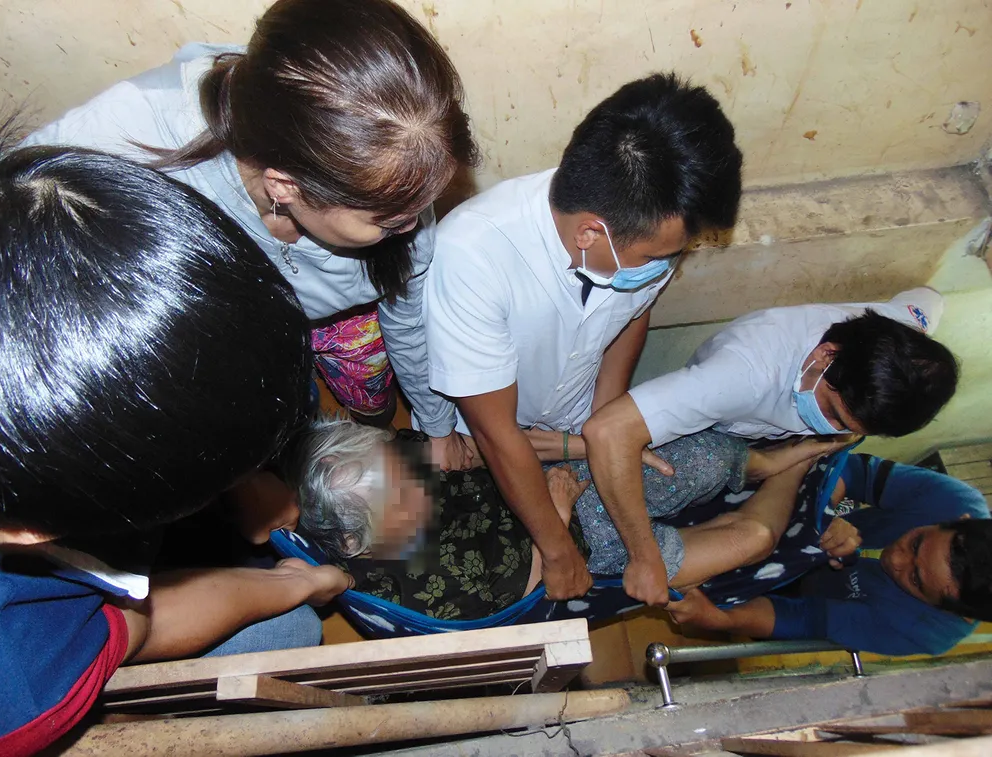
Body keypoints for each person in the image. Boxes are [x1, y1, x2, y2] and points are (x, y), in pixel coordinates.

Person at [0, 135, 353, 755]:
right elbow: (140, 624)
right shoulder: (20, 677)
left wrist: (242, 479)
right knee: (292, 629)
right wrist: (293, 586)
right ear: (32, 530)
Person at [23, 0, 480, 446]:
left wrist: (436, 424)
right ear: (284, 187)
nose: (416, 227)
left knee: (372, 402)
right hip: (224, 342)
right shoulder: (125, 141)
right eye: (391, 221)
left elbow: (407, 319)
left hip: (342, 325)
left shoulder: (392, 183)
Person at [424, 72, 744, 600]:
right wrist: (558, 551)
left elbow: (633, 314)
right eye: (655, 258)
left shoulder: (641, 230)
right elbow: (497, 435)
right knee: (490, 572)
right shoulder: (473, 256)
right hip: (489, 444)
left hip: (578, 420)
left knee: (700, 467)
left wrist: (606, 423)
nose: (663, 267)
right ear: (590, 232)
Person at [271, 415, 857, 621]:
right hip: (583, 544)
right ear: (358, 540)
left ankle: (771, 462)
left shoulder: (369, 466)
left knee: (712, 456)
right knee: (753, 539)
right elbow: (530, 594)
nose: (420, 484)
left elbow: (475, 448)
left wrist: (583, 449)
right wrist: (557, 511)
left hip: (547, 478)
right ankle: (799, 470)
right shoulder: (417, 590)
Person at [582, 289, 959, 606]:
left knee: (755, 534)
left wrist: (801, 453)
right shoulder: (741, 376)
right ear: (826, 355)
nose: (832, 430)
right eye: (833, 413)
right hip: (721, 424)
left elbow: (930, 298)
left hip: (737, 453)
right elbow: (607, 431)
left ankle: (787, 460)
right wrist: (643, 553)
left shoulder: (903, 342)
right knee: (721, 487)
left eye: (850, 429)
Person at [667, 454, 992, 657]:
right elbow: (855, 471)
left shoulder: (927, 632)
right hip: (796, 519)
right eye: (916, 543)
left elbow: (805, 617)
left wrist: (718, 619)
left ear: (950, 611)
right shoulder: (953, 499)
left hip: (796, 596)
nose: (896, 560)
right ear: (961, 519)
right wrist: (821, 511)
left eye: (915, 580)